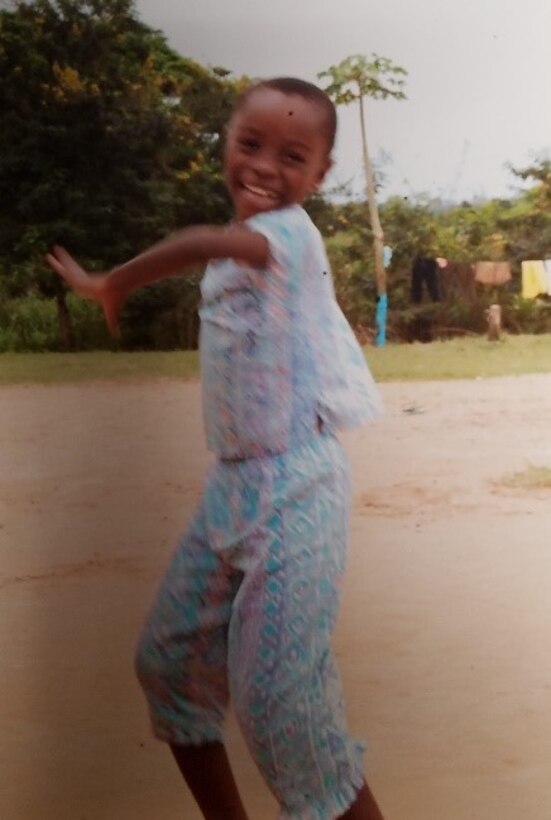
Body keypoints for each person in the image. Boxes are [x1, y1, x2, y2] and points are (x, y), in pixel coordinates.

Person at [47, 77, 384, 820]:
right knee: (169, 664)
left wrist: (114, 283)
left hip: (297, 489)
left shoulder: (289, 234)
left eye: (292, 155)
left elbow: (203, 239)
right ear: (224, 145)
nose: (265, 165)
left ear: (320, 176)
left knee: (281, 706)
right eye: (250, 144)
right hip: (233, 488)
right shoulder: (243, 254)